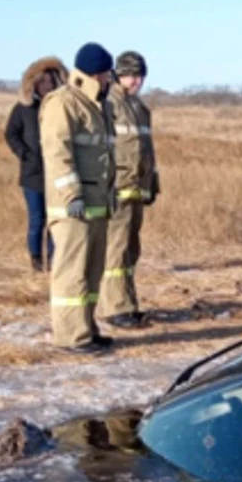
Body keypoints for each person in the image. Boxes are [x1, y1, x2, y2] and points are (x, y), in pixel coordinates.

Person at [40, 42, 118, 352]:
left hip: (98, 204)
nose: (109, 80)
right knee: (71, 274)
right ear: (95, 74)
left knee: (92, 272)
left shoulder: (101, 106)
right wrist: (72, 194)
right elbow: (58, 154)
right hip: (73, 207)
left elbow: (105, 156)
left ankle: (87, 327)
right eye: (106, 74)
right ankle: (71, 336)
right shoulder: (62, 103)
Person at [101, 51, 159, 329]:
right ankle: (115, 307)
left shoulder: (139, 108)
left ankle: (128, 302)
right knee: (116, 250)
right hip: (118, 188)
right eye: (132, 75)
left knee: (131, 250)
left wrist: (153, 183)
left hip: (138, 188)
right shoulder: (107, 104)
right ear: (118, 74)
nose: (137, 81)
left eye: (140, 75)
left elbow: (147, 150)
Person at [5, 56, 65, 271]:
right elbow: (11, 134)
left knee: (55, 220)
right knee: (37, 220)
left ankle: (53, 260)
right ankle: (36, 260)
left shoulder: (59, 107)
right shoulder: (23, 109)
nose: (47, 87)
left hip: (57, 174)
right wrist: (25, 154)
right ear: (34, 84)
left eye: (51, 82)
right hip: (32, 174)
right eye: (42, 83)